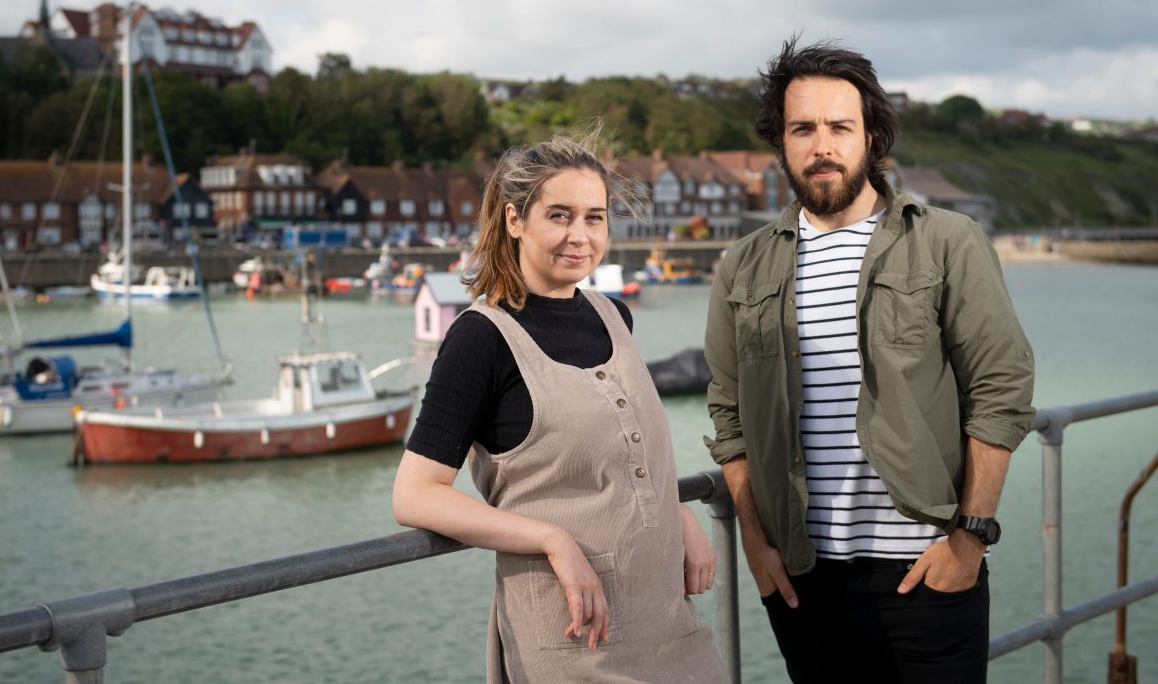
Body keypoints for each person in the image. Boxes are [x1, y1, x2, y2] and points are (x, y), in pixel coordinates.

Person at [703, 38, 1036, 683]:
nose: (821, 145)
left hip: (927, 570)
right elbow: (730, 412)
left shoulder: (946, 241)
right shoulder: (743, 265)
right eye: (802, 128)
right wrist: (754, 541)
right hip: (802, 579)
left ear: (871, 138)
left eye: (839, 127)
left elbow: (1000, 390)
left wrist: (969, 539)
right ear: (781, 144)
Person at [393, 131, 729, 684]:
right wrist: (552, 539)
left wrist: (677, 509)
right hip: (573, 640)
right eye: (559, 216)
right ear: (514, 219)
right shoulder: (481, 338)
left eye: (594, 218)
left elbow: (622, 453)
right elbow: (415, 494)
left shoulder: (613, 315)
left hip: (670, 623)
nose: (580, 236)